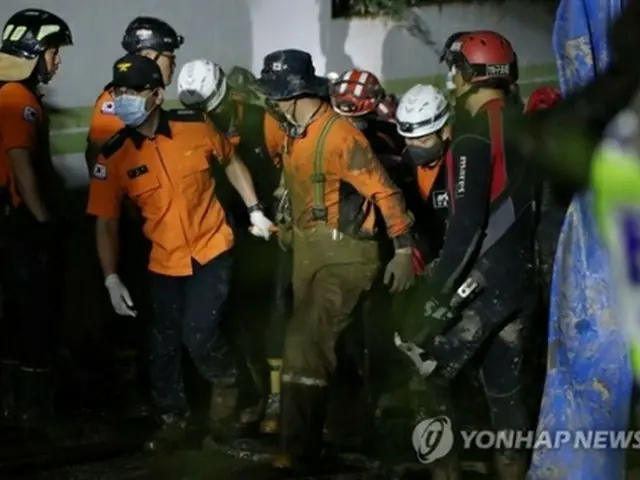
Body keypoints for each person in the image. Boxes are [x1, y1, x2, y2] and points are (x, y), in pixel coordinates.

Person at [86, 54, 274, 452]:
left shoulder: (196, 128)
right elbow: (105, 221)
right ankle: (173, 419)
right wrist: (110, 277)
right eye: (118, 91)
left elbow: (231, 161)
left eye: (133, 91)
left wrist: (255, 209)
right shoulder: (114, 155)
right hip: (164, 260)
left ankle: (230, 390)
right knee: (163, 343)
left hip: (211, 249)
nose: (123, 99)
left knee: (201, 333)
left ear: (156, 95)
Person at [256, 49, 417, 472]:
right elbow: (283, 171)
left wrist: (403, 250)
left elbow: (386, 192)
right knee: (332, 347)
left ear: (293, 95)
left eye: (275, 97)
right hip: (307, 252)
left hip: (347, 257)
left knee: (304, 343)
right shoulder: (286, 128)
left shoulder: (343, 138)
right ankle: (351, 427)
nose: (270, 105)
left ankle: (297, 448)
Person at [396, 31, 536, 479]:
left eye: (454, 70)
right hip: (522, 278)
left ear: (466, 75)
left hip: (483, 280)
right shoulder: (523, 124)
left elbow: (465, 229)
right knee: (505, 395)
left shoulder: (471, 136)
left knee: (424, 376)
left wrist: (434, 297)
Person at [177, 59, 288, 434]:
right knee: (238, 318)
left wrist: (281, 202)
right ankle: (255, 395)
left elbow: (290, 161)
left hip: (265, 229)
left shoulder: (260, 120)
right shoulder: (189, 125)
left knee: (275, 310)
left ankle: (279, 400)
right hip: (220, 236)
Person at [0, 8, 73, 424]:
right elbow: (21, 164)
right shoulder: (16, 97)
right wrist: (44, 221)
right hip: (20, 226)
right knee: (34, 316)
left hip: (12, 221)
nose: (57, 60)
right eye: (53, 51)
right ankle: (32, 412)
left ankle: (15, 407)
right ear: (32, 50)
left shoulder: (11, 93)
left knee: (16, 317)